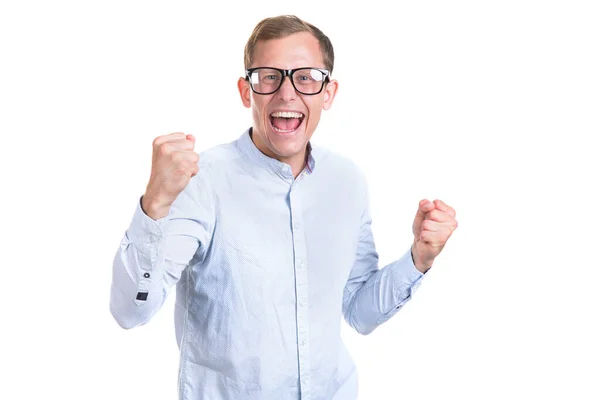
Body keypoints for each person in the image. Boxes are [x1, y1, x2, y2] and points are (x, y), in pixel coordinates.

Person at [110, 14, 458, 400]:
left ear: (328, 92)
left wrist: (418, 258)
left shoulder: (347, 182)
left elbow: (359, 313)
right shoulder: (200, 181)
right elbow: (130, 311)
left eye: (306, 76)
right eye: (269, 76)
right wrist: (156, 202)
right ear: (247, 91)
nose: (287, 93)